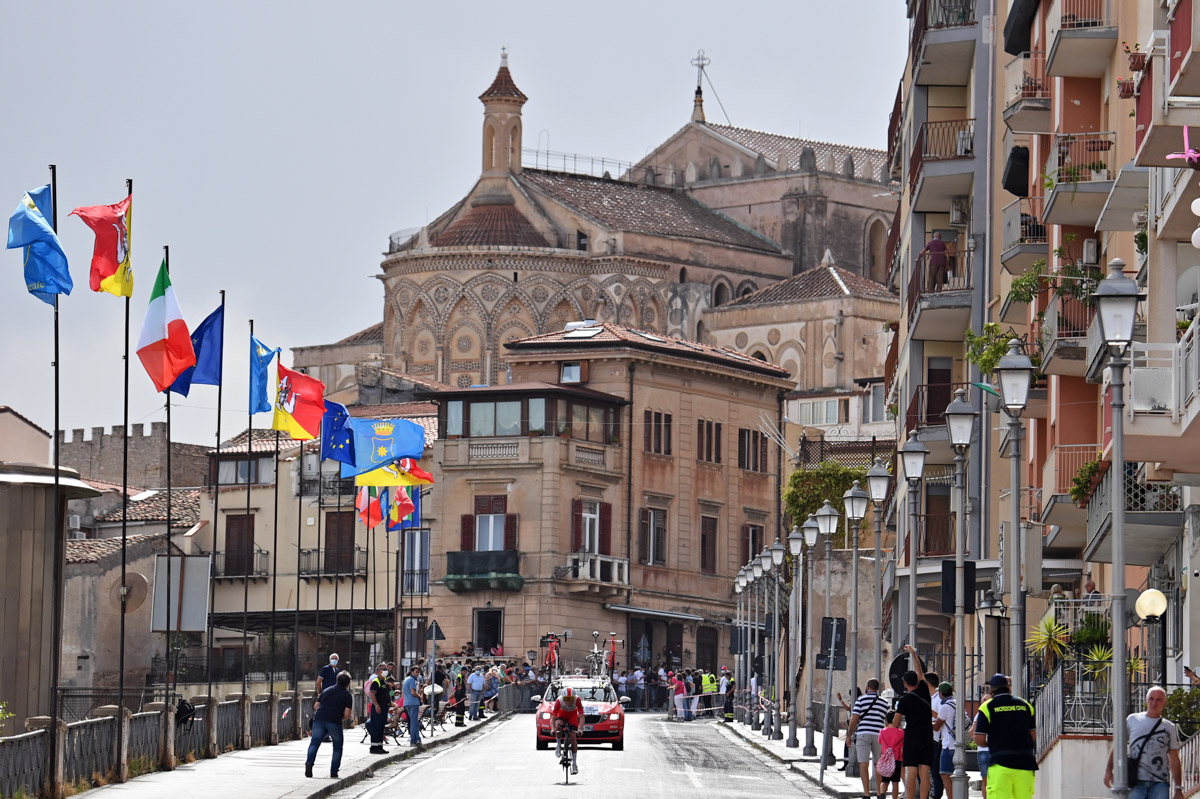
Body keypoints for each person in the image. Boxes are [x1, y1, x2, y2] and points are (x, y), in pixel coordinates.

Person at [1104, 685, 1183, 799]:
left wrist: (1178, 788)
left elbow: (1174, 758)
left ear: (1164, 703)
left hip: (1160, 784)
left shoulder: (1169, 727)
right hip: (1136, 782)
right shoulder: (1132, 720)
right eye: (1151, 698)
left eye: (1158, 700)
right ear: (1146, 700)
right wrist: (1108, 770)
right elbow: (1118, 745)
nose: (1154, 703)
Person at [973, 673, 1036, 799]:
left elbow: (979, 739)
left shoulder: (987, 707)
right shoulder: (1026, 705)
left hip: (1000, 764)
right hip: (1025, 764)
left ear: (991, 689)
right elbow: (1032, 736)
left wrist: (992, 743)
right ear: (1009, 687)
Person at [895, 666, 936, 799]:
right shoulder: (925, 691)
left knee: (911, 773)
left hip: (912, 738)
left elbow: (895, 722)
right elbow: (920, 671)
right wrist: (913, 653)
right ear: (917, 682)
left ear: (905, 683)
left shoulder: (904, 700)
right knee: (925, 773)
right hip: (927, 737)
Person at [305, 670, 353, 779]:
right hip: (334, 721)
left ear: (337, 680)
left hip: (319, 718)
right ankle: (334, 771)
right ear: (348, 683)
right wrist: (339, 717)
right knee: (337, 746)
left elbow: (316, 706)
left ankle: (309, 763)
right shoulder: (347, 695)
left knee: (314, 743)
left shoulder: (326, 690)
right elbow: (347, 714)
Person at [848, 678, 889, 799]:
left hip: (863, 733)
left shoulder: (861, 700)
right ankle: (879, 793)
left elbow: (854, 719)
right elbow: (886, 721)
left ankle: (866, 794)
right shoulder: (884, 702)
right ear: (878, 689)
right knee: (878, 765)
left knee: (863, 764)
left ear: (867, 687)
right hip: (878, 735)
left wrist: (849, 735)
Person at [932, 682, 956, 799]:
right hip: (957, 744)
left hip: (947, 745)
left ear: (941, 694)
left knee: (945, 774)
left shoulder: (944, 707)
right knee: (953, 775)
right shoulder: (956, 703)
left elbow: (936, 727)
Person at [551, 687, 582, 775]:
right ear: (563, 697)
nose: (568, 702)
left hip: (572, 715)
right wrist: (553, 729)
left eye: (571, 699)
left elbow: (581, 715)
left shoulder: (578, 700)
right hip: (562, 714)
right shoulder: (559, 701)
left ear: (574, 698)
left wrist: (580, 729)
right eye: (566, 699)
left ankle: (574, 764)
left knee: (573, 737)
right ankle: (558, 745)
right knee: (558, 726)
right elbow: (553, 717)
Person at [970, 684, 993, 797]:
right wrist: (975, 727)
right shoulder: (979, 714)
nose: (982, 702)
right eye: (983, 699)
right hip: (983, 750)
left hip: (995, 750)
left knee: (994, 780)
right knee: (985, 780)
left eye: (986, 700)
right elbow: (970, 734)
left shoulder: (996, 712)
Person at [878, 710, 905, 799]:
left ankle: (882, 794)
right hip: (897, 759)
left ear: (886, 720)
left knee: (884, 781)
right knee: (895, 782)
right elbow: (903, 744)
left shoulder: (882, 731)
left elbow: (880, 742)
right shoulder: (901, 732)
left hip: (885, 759)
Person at [366, 663, 390, 754]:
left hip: (384, 707)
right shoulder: (376, 681)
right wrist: (376, 705)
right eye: (383, 669)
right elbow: (372, 694)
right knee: (376, 727)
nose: (385, 671)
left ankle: (380, 746)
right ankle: (374, 747)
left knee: (381, 728)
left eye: (386, 669)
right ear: (378, 671)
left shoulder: (384, 681)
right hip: (378, 708)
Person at [401, 665, 424, 749]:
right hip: (413, 703)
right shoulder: (411, 680)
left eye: (418, 672)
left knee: (415, 722)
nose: (417, 674)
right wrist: (420, 697)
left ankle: (418, 739)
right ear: (412, 672)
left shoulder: (406, 679)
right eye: (416, 672)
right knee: (414, 723)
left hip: (407, 703)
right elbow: (413, 692)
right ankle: (413, 740)